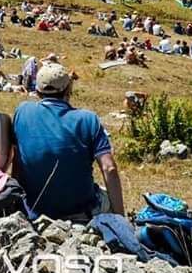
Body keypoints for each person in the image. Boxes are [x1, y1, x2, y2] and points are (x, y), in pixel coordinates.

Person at [11, 61, 122, 219]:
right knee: (104, 194)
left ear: (37, 90)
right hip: (80, 212)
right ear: (69, 89)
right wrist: (121, 218)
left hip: (33, 209)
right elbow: (109, 168)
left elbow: (17, 160)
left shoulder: (22, 111)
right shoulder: (88, 119)